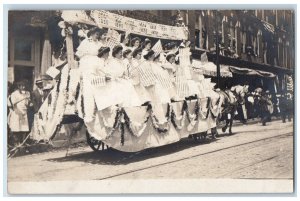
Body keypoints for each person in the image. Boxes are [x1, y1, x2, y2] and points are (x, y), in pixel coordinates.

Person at [7, 81, 32, 145]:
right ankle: (16, 142)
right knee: (16, 127)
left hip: (24, 112)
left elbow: (27, 103)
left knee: (24, 128)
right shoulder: (14, 94)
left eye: (24, 86)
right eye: (22, 86)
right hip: (17, 112)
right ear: (18, 87)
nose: (23, 87)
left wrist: (29, 103)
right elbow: (12, 103)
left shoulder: (27, 93)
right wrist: (22, 98)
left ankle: (23, 142)